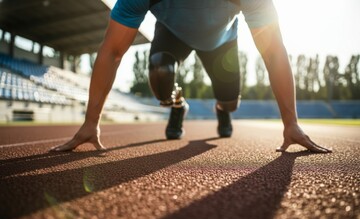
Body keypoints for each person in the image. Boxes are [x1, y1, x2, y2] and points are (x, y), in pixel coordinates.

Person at [51, 0, 331, 153]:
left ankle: (222, 109)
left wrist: (291, 122)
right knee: (160, 73)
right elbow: (112, 51)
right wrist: (91, 122)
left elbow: (273, 52)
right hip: (172, 35)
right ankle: (177, 105)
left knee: (231, 103)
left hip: (221, 42)